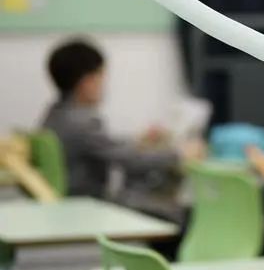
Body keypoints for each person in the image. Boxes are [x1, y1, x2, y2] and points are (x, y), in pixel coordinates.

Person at [41, 38, 205, 200]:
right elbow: (131, 160)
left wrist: (138, 141)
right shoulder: (83, 122)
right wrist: (179, 154)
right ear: (88, 83)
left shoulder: (56, 114)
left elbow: (103, 145)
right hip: (86, 202)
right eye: (101, 78)